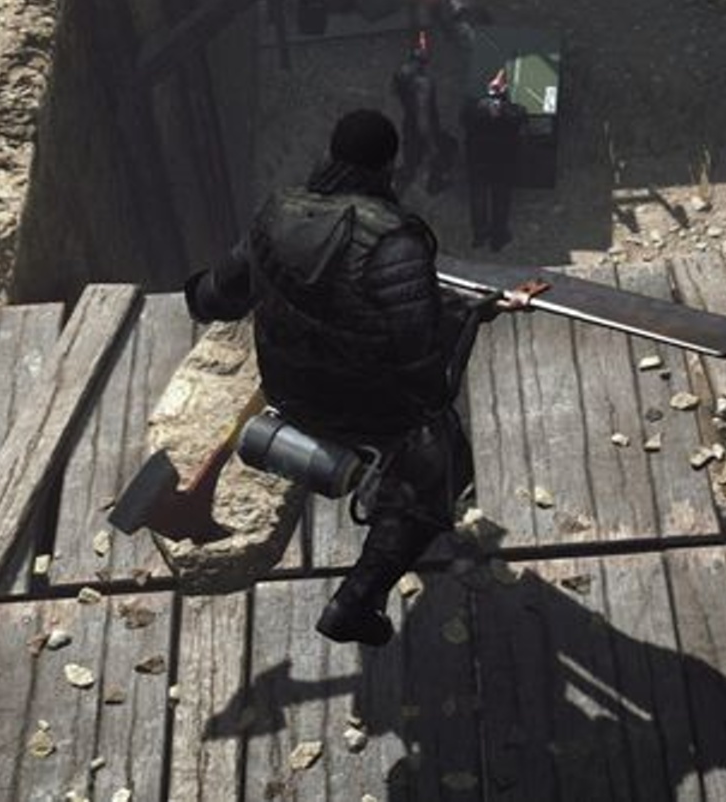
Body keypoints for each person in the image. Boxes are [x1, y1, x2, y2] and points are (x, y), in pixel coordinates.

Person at [184, 109, 507, 646]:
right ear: (388, 165)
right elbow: (422, 369)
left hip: (288, 390)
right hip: (365, 412)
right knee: (438, 462)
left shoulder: (276, 213)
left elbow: (216, 298)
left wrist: (198, 290)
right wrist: (469, 313)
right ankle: (356, 601)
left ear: (332, 155)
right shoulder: (395, 243)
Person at [462, 68, 527, 250]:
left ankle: (479, 235)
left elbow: (465, 123)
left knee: (478, 198)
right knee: (500, 199)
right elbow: (522, 128)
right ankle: (497, 238)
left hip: (478, 159)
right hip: (502, 162)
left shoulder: (473, 109)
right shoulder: (515, 111)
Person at [390, 38, 457, 196]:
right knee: (445, 149)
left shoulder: (401, 73)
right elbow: (423, 117)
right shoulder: (423, 83)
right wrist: (431, 143)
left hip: (409, 123)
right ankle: (435, 183)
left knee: (411, 162)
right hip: (424, 127)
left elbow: (394, 91)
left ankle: (396, 190)